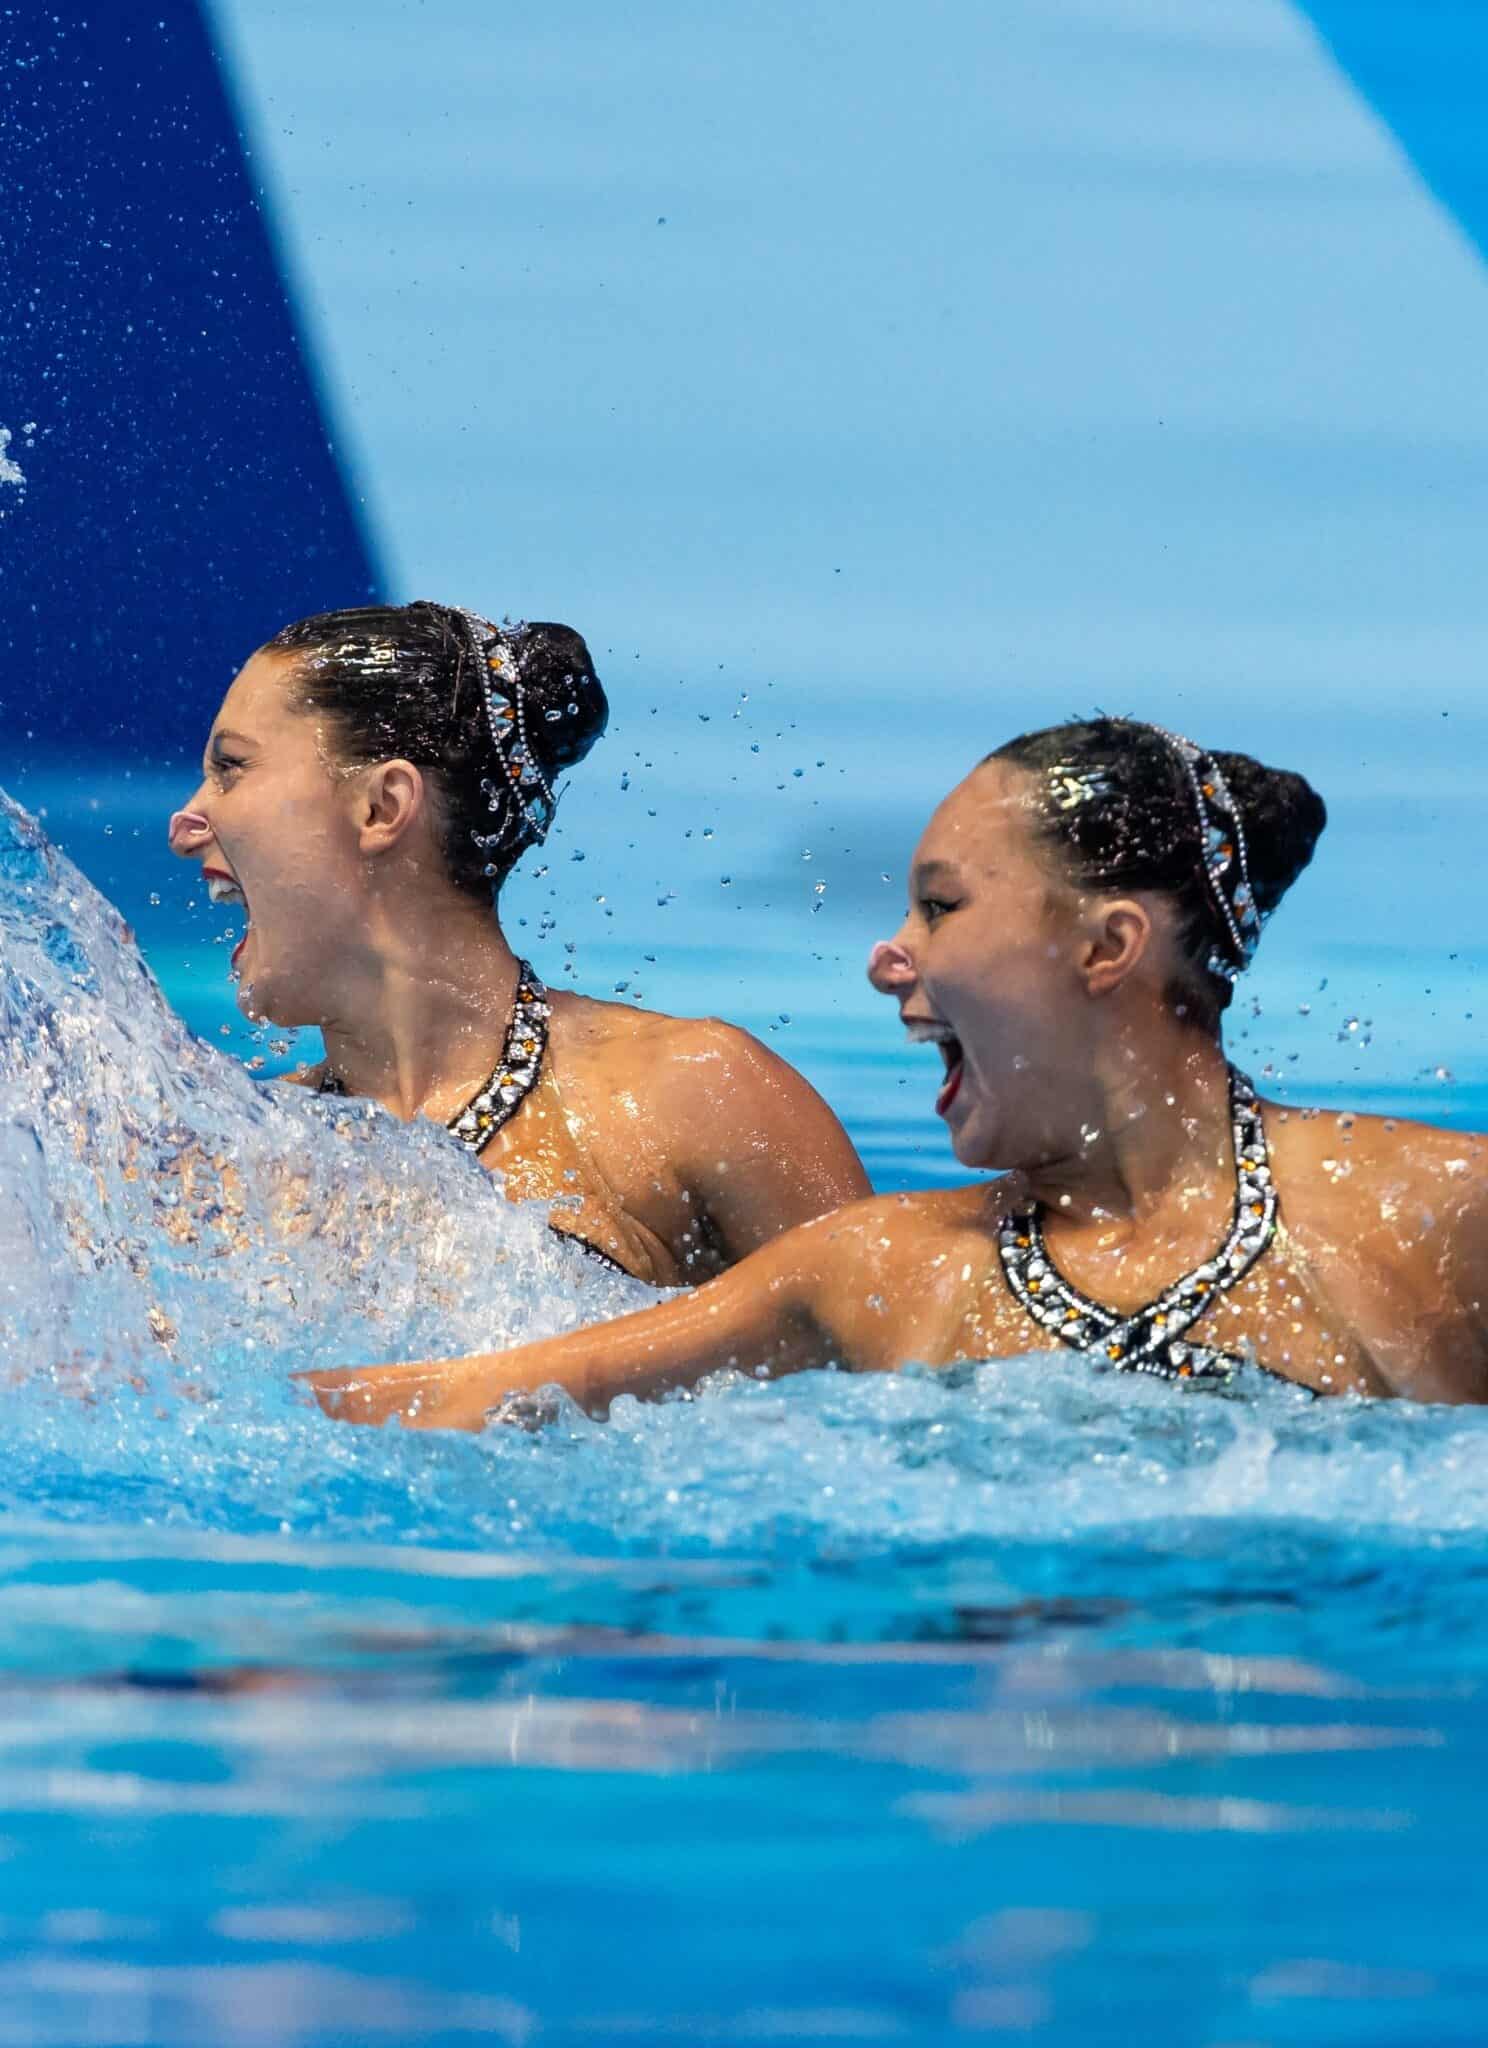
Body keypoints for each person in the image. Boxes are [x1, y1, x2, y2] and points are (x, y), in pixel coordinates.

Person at [305, 715, 1488, 1424]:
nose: (887, 958)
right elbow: (463, 1397)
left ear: (1106, 945)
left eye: (942, 907)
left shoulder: (1434, 1213)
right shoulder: (872, 1273)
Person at [169, 601, 868, 1283]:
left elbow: (895, 1338)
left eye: (230, 767)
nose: (185, 826)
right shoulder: (238, 1171)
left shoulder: (694, 1100)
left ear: (382, 806)